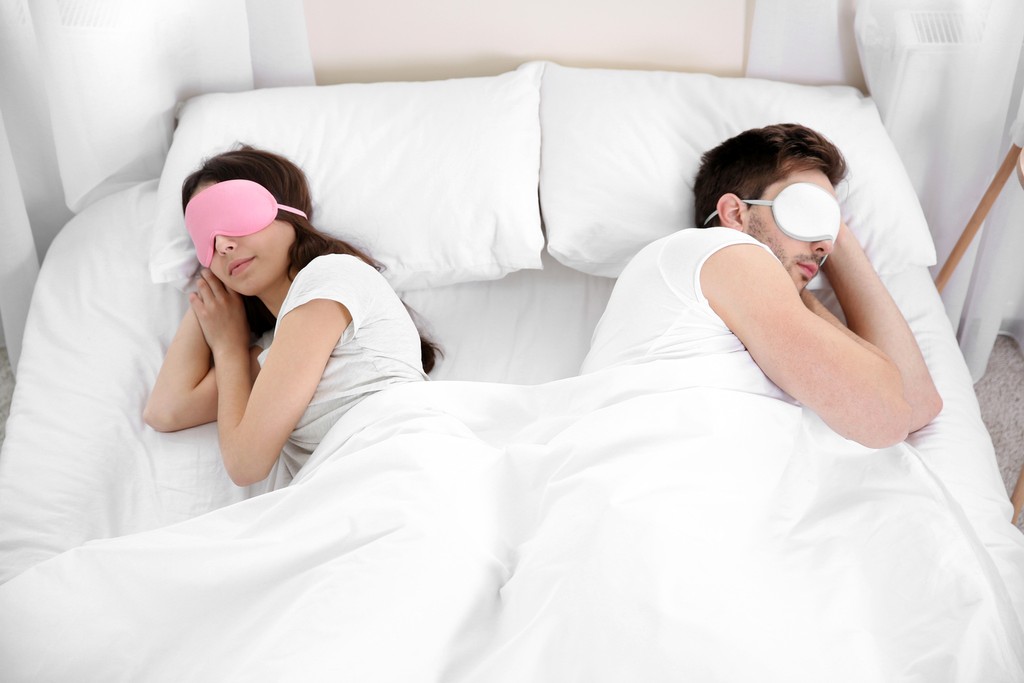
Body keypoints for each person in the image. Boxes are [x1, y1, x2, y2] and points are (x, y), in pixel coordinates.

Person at [581, 123, 942, 448]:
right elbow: (884, 417)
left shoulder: (761, 297)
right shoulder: (712, 248)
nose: (825, 245)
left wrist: (831, 232)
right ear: (735, 213)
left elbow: (915, 406)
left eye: (833, 225)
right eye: (809, 209)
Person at [144, 146, 440, 485]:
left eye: (232, 214)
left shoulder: (333, 277)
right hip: (346, 493)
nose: (222, 243)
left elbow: (245, 464)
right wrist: (211, 295)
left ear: (288, 211)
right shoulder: (274, 348)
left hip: (402, 475)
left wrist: (228, 349)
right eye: (203, 234)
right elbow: (165, 410)